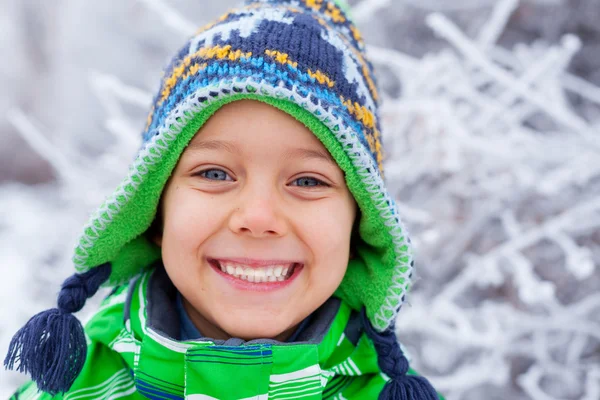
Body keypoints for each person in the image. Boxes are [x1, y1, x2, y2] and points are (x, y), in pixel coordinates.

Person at [5, 0, 443, 398]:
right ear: (153, 211)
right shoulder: (76, 389)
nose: (257, 217)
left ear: (360, 225)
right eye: (215, 173)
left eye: (308, 181)